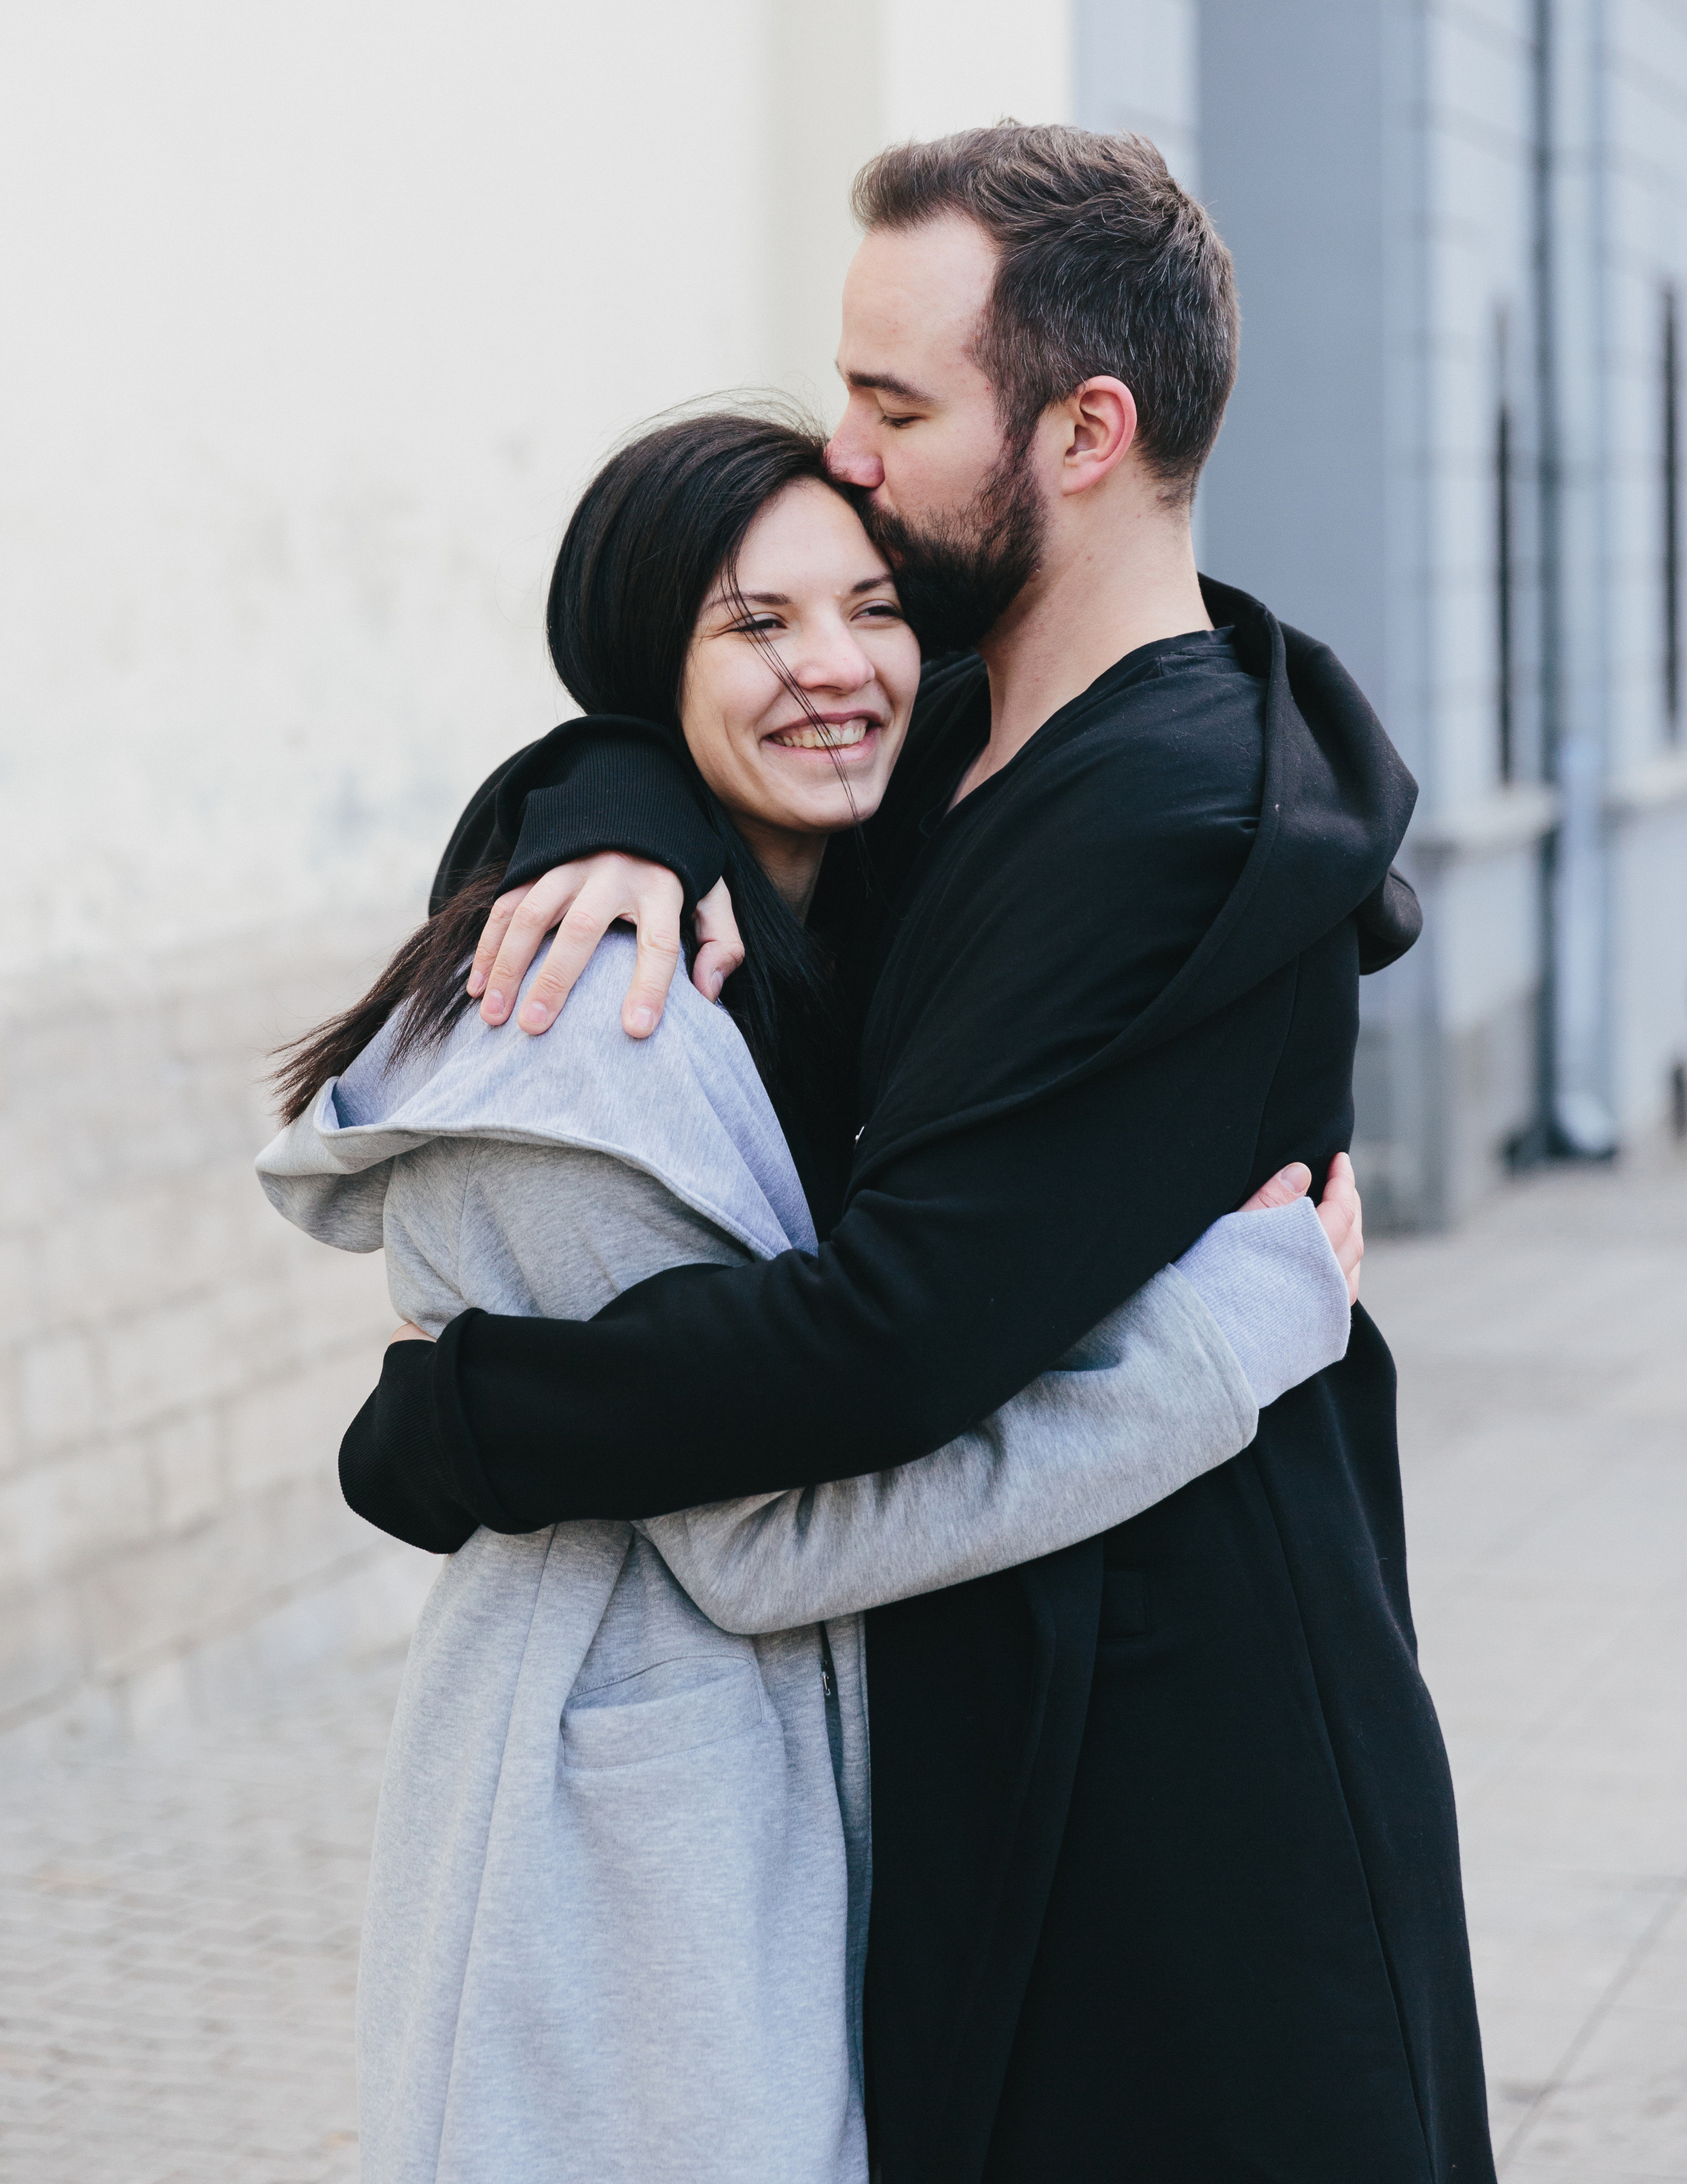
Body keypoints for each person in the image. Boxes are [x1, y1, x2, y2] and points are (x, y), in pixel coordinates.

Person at [343, 127, 1495, 2182]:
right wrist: (621, 795)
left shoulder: (1174, 823)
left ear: (1083, 429)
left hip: (1193, 1798)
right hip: (983, 1725)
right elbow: (726, 706)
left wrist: (460, 1430)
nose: (847, 456)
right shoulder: (958, 720)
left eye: (893, 408)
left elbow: (885, 1348)